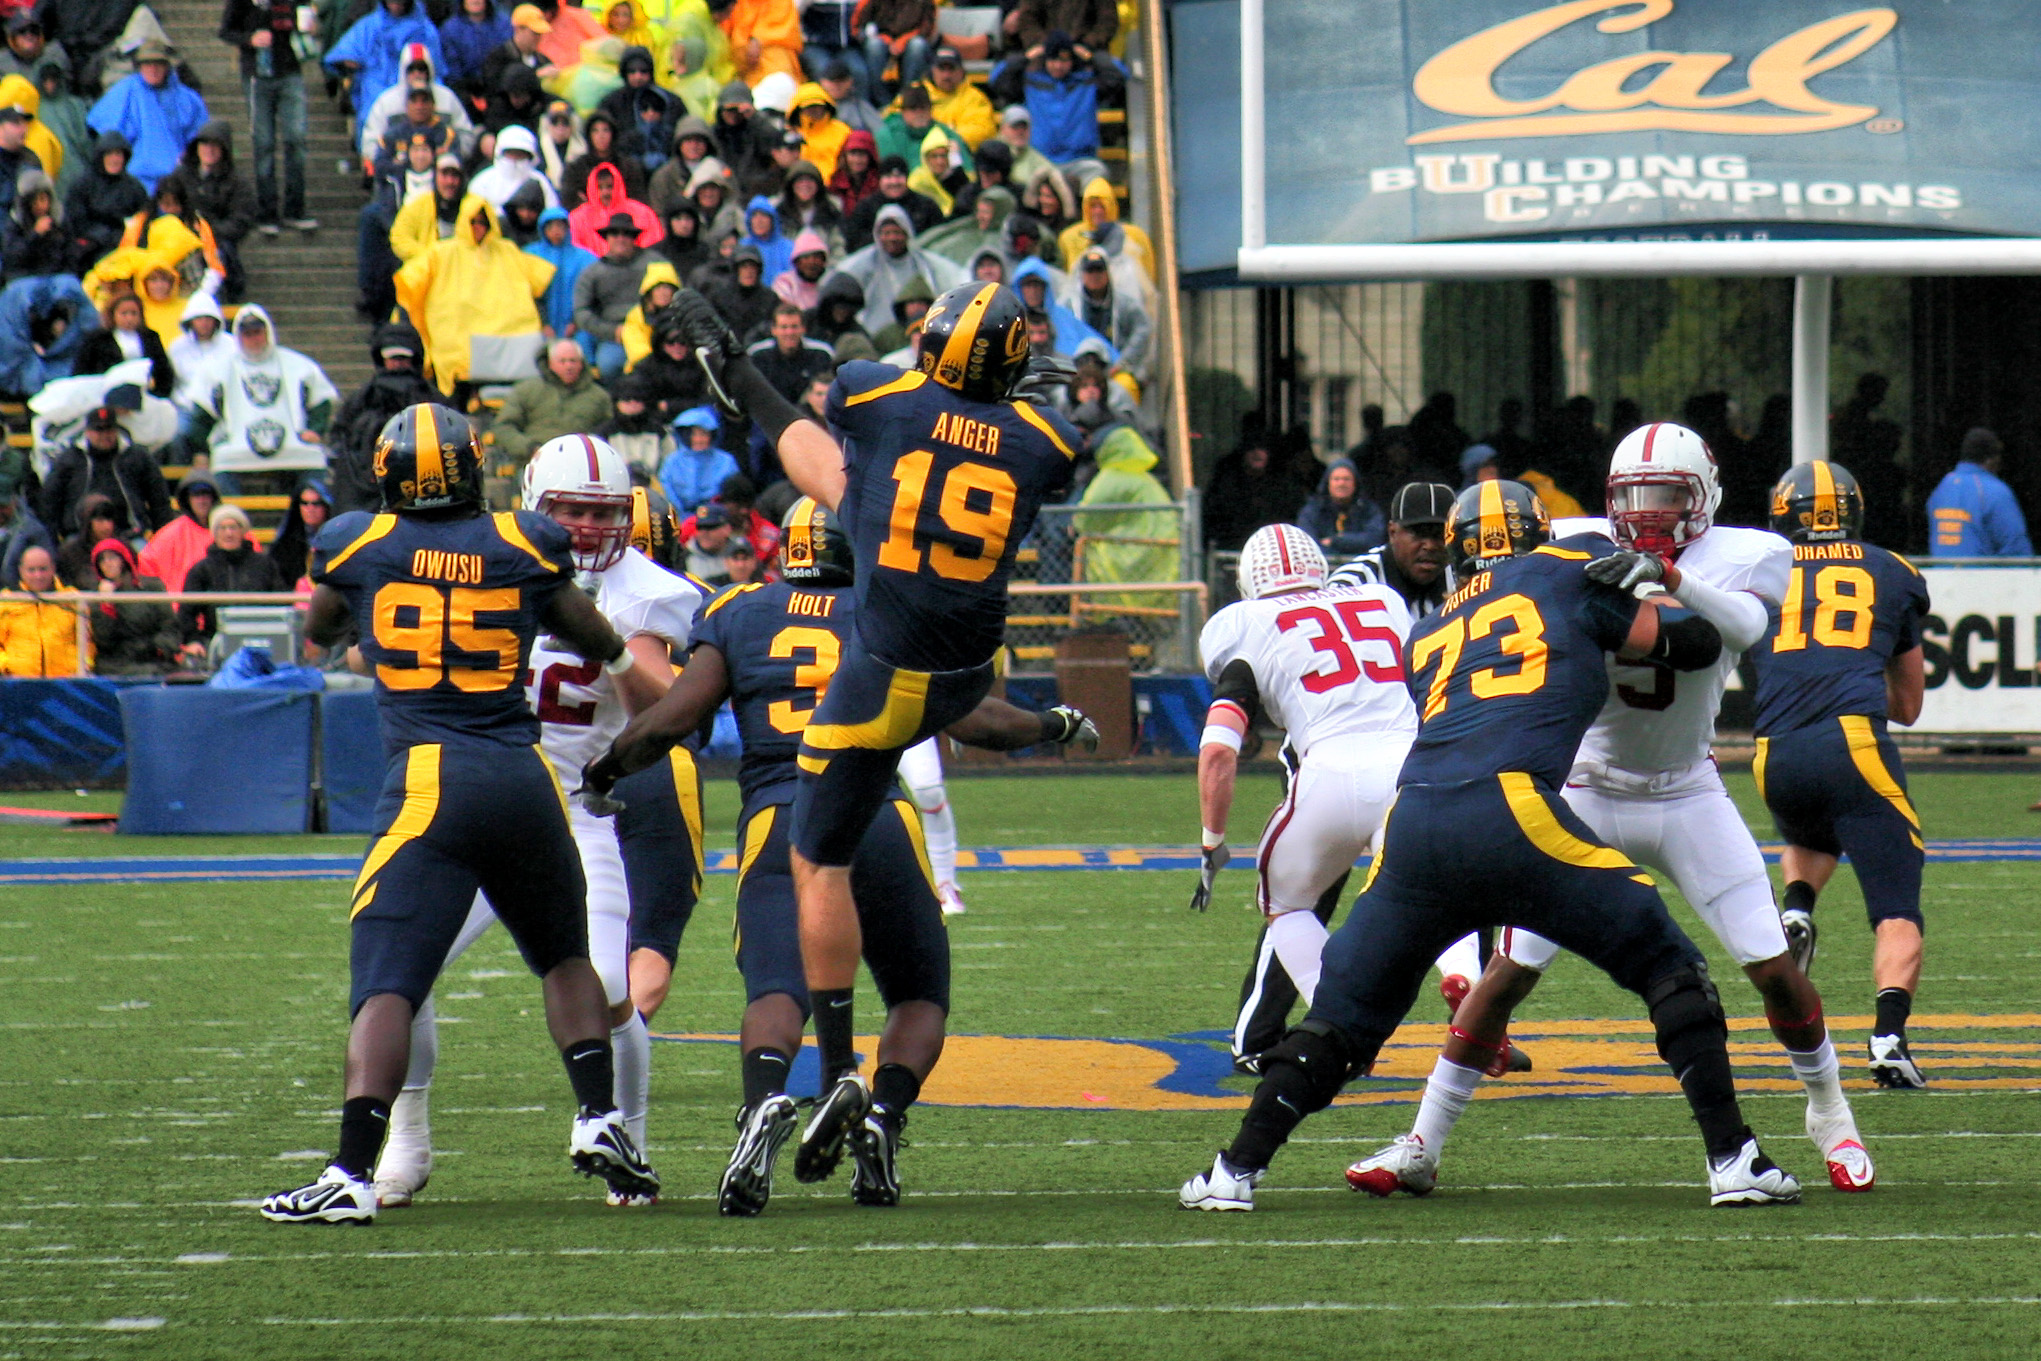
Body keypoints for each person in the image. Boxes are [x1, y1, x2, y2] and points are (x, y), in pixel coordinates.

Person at [1178, 480, 1799, 1213]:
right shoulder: (1565, 573)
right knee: (1669, 964)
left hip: (1412, 826)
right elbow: (1692, 646)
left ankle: (1232, 1172)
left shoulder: (1428, 629)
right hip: (1514, 812)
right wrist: (1660, 587)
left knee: (1338, 1021)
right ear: (1537, 532)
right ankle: (1733, 1158)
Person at [1349, 427, 1875, 1203]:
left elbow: (1750, 628)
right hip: (1585, 788)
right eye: (1632, 496)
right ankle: (1422, 1140)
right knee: (1506, 975)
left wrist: (1672, 578)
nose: (1646, 512)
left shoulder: (1745, 556)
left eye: (1665, 495)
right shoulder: (1570, 543)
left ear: (1702, 494)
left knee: (1770, 965)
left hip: (1685, 788)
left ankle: (1830, 1112)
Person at [668, 278, 1080, 1178]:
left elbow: (829, 434)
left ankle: (840, 1066)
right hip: (964, 676)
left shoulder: (868, 387)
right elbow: (918, 450)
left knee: (819, 858)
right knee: (863, 494)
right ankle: (878, 1105)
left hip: (881, 676)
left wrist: (742, 373)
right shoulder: (1050, 441)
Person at [581, 494, 1096, 1212]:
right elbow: (972, 716)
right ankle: (882, 1115)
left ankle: (764, 1102)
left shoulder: (736, 609)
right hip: (877, 814)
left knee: (774, 992)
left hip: (781, 819)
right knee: (918, 996)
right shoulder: (887, 616)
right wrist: (1054, 722)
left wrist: (607, 767)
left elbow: (673, 715)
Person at [261, 403, 655, 1225]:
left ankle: (350, 1171)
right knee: (563, 955)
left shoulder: (357, 540)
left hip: (432, 776)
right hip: (524, 774)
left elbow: (319, 630)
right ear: (475, 467)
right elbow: (591, 633)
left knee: (386, 981)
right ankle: (597, 1115)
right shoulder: (523, 542)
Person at [371, 432, 704, 1208]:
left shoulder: (646, 591)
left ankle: (631, 1144)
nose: (587, 529)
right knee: (403, 970)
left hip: (578, 810)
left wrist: (606, 640)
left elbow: (665, 703)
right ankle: (407, 1142)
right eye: (570, 511)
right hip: (473, 795)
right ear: (531, 505)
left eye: (602, 513)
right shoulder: (491, 558)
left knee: (612, 984)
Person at [1192, 524, 1429, 1069]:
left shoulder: (1244, 625)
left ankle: (1309, 1028)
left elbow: (1222, 748)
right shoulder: (1381, 600)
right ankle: (1468, 993)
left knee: (1290, 902)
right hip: (1414, 769)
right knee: (1444, 894)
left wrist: (1212, 842)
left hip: (1321, 773)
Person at [1748, 460, 1932, 1089]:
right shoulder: (1891, 570)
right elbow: (1908, 707)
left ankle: (1796, 909)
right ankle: (1889, 1037)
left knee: (1809, 834)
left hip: (1772, 751)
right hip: (1851, 741)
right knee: (1897, 905)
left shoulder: (1756, 570)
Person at [393, 195, 556, 397]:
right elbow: (410, 279)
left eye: (483, 222)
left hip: (504, 332)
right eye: (474, 221)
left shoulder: (507, 251)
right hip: (455, 331)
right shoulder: (442, 251)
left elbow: (539, 278)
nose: (478, 227)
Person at [185, 307, 339, 484]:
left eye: (258, 332)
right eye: (247, 334)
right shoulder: (218, 369)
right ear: (238, 335)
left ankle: (310, 507)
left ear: (268, 332)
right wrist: (201, 451)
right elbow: (201, 412)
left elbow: (322, 398)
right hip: (237, 444)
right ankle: (231, 511)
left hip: (293, 443)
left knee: (314, 457)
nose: (254, 339)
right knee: (222, 459)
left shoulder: (298, 364)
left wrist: (315, 429)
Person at [328, 323, 441, 513]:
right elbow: (339, 436)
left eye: (403, 358)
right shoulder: (362, 398)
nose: (397, 363)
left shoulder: (430, 399)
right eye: (392, 358)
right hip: (365, 487)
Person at [85, 39, 207, 194]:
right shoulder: (124, 92)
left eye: (158, 64)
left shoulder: (187, 98)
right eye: (147, 64)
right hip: (134, 181)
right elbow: (102, 131)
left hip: (178, 181)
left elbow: (200, 137)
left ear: (167, 66)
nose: (153, 69)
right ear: (139, 66)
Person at [40, 404, 172, 540]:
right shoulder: (68, 459)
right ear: (87, 432)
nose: (105, 435)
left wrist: (162, 537)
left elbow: (159, 500)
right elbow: (50, 502)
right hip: (79, 538)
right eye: (99, 430)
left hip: (129, 534)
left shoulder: (137, 456)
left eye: (109, 429)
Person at [826, 202, 959, 336]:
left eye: (897, 232)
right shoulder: (864, 263)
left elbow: (954, 277)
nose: (892, 238)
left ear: (907, 233)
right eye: (886, 233)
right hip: (876, 333)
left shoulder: (923, 263)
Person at [175, 501, 286, 657]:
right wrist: (194, 641)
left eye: (233, 527)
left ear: (243, 531)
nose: (228, 533)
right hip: (215, 642)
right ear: (214, 532)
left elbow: (281, 603)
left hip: (260, 641)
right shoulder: (201, 569)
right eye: (222, 528)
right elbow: (186, 612)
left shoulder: (265, 565)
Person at [323, 0, 444, 143]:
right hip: (376, 88)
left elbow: (436, 67)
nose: (396, 4)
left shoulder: (424, 29)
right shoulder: (370, 25)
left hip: (414, 89)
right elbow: (342, 54)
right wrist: (351, 61)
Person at [1324, 481, 1453, 614]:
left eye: (1440, 534)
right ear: (1392, 532)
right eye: (1418, 533)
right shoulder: (1351, 586)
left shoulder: (1462, 581)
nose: (1430, 546)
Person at [160, 123, 256, 298]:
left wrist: (208, 234)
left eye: (215, 145)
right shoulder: (179, 176)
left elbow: (241, 219)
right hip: (179, 240)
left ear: (224, 150)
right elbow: (165, 206)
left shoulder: (238, 183)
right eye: (204, 144)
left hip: (216, 244)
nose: (209, 150)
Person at [491, 338, 615, 464]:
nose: (568, 366)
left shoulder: (599, 396)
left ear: (581, 363)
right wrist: (530, 449)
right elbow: (504, 427)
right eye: (562, 361)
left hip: (581, 463)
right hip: (534, 462)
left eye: (573, 361)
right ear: (550, 363)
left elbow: (609, 431)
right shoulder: (526, 390)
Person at [356, 44, 475, 172]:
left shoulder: (447, 98)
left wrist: (451, 156)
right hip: (398, 170)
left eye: (422, 69)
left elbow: (466, 135)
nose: (417, 74)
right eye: (411, 69)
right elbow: (370, 141)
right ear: (403, 71)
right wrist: (391, 160)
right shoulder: (386, 102)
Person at [1926, 426, 2030, 556]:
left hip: (1940, 574)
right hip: (1980, 574)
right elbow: (2016, 549)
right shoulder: (1995, 491)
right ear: (1990, 459)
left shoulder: (1942, 488)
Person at [86, 536, 180, 675]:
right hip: (115, 665)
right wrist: (107, 605)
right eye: (102, 560)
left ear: (124, 559)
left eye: (112, 557)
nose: (107, 563)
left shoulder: (151, 586)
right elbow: (104, 640)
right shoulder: (96, 597)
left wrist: (159, 647)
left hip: (153, 658)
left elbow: (169, 625)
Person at [571, 210, 651, 374]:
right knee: (608, 365)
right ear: (606, 237)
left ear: (634, 238)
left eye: (627, 234)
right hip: (613, 336)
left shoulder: (654, 263)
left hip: (651, 333)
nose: (620, 238)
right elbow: (581, 312)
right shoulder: (592, 272)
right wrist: (610, 331)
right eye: (614, 233)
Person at [65, 131, 147, 267]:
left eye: (118, 154)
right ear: (100, 157)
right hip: (91, 247)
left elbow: (143, 218)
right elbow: (74, 220)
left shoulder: (134, 188)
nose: (114, 159)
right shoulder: (83, 185)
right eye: (109, 154)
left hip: (126, 244)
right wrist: (100, 236)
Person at [0, 545, 80, 675]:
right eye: (31, 570)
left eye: (43, 569)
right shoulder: (7, 600)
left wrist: (79, 666)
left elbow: (87, 642)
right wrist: (6, 665)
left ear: (53, 568)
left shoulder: (71, 598)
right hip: (18, 682)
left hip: (65, 683)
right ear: (21, 571)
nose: (38, 575)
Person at [1057, 176, 1151, 283]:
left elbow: (1147, 275)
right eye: (1093, 206)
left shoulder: (1135, 235)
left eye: (1102, 206)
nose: (1098, 211)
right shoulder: (1069, 237)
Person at [134, 477, 217, 591]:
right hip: (181, 600)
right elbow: (147, 562)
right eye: (196, 495)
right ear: (187, 499)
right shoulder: (172, 533)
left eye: (206, 494)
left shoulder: (229, 528)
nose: (202, 500)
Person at [528, 203, 594, 343]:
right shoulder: (531, 255)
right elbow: (528, 294)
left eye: (560, 226)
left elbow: (589, 292)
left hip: (576, 326)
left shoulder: (584, 257)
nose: (556, 231)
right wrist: (543, 323)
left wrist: (576, 321)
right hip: (539, 325)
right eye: (550, 227)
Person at [1297, 457, 1383, 556]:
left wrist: (1336, 541)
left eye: (1346, 479)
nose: (1341, 484)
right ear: (1328, 483)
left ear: (1355, 483)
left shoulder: (1369, 510)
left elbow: (1374, 539)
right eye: (1336, 479)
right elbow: (1307, 544)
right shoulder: (1312, 511)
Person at [660, 403, 737, 511]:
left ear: (712, 435)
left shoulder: (726, 461)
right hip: (678, 519)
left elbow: (729, 495)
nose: (698, 440)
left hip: (716, 517)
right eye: (692, 434)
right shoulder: (672, 461)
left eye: (703, 434)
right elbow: (667, 492)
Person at [560, 111, 645, 209]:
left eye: (606, 130)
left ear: (613, 134)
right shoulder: (575, 168)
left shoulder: (628, 167)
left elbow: (638, 199)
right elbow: (568, 201)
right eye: (595, 131)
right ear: (588, 135)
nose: (601, 136)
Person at [469, 123, 558, 210]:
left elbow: (551, 212)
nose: (515, 159)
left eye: (521, 154)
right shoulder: (483, 182)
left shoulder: (541, 182)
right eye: (511, 153)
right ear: (500, 153)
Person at [4, 166, 71, 277]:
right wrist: (35, 234)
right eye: (34, 202)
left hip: (56, 276)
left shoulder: (59, 218)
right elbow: (12, 257)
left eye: (43, 199)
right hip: (26, 277)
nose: (40, 206)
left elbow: (69, 250)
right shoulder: (15, 222)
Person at [437, 0, 511, 97]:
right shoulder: (450, 29)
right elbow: (452, 70)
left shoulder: (504, 24)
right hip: (464, 91)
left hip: (498, 89)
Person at [268, 481, 331, 584]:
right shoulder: (285, 544)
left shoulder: (339, 540)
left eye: (316, 503)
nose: (310, 509)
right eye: (304, 503)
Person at [54, 493, 115, 588]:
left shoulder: (121, 548)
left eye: (109, 519)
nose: (107, 526)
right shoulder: (70, 552)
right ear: (87, 522)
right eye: (100, 520)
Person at [771, 226, 829, 309]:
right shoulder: (785, 282)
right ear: (797, 262)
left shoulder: (830, 282)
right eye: (806, 257)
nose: (811, 262)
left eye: (816, 257)